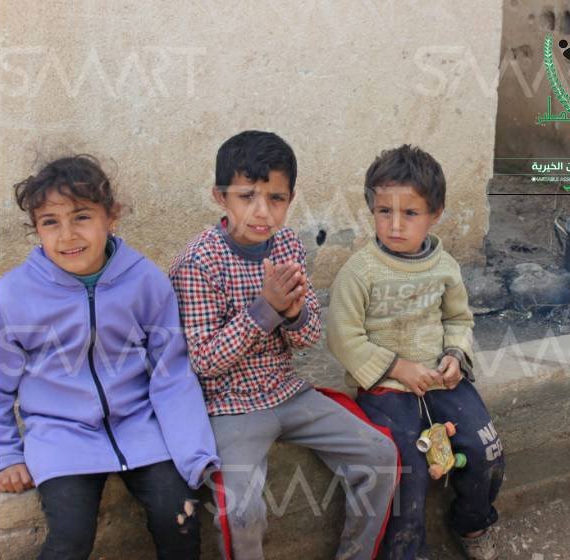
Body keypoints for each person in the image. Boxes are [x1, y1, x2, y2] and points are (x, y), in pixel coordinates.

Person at [169, 130, 399, 560]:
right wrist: (264, 310)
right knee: (241, 511)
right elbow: (203, 361)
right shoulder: (198, 262)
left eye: (275, 198)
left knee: (380, 452)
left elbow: (307, 340)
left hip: (286, 390)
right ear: (220, 197)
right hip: (229, 405)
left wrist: (293, 314)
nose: (262, 212)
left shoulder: (288, 244)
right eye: (246, 197)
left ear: (290, 199)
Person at [0, 155, 220, 559]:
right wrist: (5, 455)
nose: (67, 235)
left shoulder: (145, 282)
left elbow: (172, 374)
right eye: (50, 222)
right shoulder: (14, 295)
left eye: (81, 217)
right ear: (36, 229)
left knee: (181, 519)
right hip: (60, 435)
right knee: (70, 537)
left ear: (111, 217)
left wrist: (195, 453)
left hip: (140, 427)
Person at [327, 145, 506, 560]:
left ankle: (473, 522)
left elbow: (459, 320)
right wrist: (397, 367)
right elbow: (342, 337)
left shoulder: (444, 267)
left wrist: (455, 356)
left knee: (487, 450)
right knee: (407, 473)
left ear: (435, 213)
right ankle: (406, 552)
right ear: (371, 209)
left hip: (442, 383)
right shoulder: (360, 272)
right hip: (386, 389)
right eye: (383, 211)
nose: (394, 224)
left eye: (410, 213)